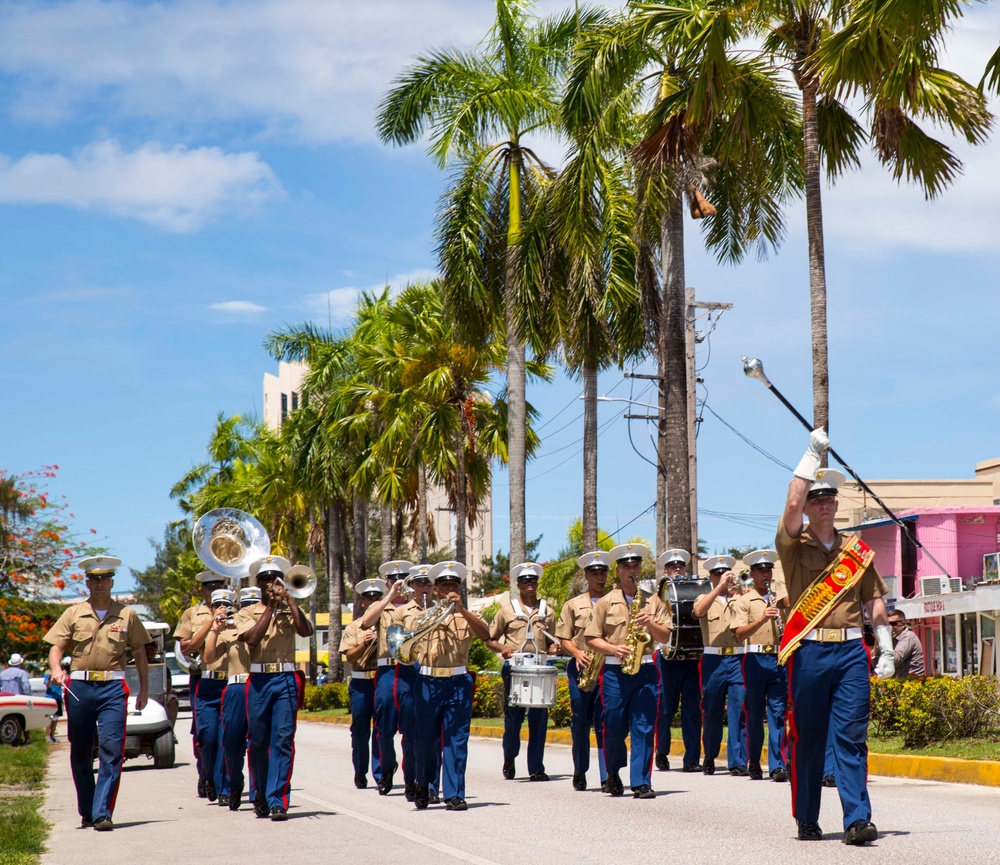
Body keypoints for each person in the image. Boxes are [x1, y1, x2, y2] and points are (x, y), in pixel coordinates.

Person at [776, 430, 893, 845]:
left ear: (837, 505)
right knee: (808, 737)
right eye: (817, 499)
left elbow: (874, 602)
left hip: (848, 651)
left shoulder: (855, 551)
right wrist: (810, 456)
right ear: (808, 507)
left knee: (850, 735)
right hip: (808, 651)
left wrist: (887, 646)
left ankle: (857, 819)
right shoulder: (792, 545)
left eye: (829, 499)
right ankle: (807, 817)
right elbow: (790, 502)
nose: (823, 504)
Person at [43, 555, 150, 831]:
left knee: (112, 749)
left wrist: (144, 689)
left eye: (105, 578)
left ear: (112, 582)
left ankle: (102, 812)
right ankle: (88, 809)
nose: (100, 583)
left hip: (113, 688)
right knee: (80, 751)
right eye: (95, 579)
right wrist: (56, 667)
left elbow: (139, 652)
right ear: (87, 583)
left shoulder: (127, 615)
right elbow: (56, 647)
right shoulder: (73, 613)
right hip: (79, 689)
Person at [585, 543, 672, 799]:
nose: (631, 570)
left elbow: (665, 636)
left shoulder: (653, 601)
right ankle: (612, 771)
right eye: (626, 566)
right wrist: (613, 649)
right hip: (614, 672)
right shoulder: (605, 602)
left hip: (645, 669)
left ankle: (641, 782)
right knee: (613, 726)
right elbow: (591, 638)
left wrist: (651, 623)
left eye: (635, 566)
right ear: (618, 571)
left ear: (640, 568)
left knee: (644, 726)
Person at [237, 554, 314, 821]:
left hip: (286, 679)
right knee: (258, 742)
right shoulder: (247, 612)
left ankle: (278, 799)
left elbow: (306, 631)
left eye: (275, 579)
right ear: (258, 584)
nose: (271, 583)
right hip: (259, 680)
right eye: (266, 579)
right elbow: (252, 638)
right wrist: (269, 607)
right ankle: (260, 791)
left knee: (282, 740)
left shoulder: (288, 608)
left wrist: (290, 600)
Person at [413, 561, 491, 811]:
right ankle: (424, 784)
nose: (449, 590)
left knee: (457, 740)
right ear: (435, 590)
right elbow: (405, 648)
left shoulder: (466, 617)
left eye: (454, 586)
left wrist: (461, 609)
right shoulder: (422, 617)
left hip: (458, 680)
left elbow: (485, 634)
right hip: (428, 680)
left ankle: (455, 793)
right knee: (426, 740)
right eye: (444, 586)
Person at [487, 561, 557, 782]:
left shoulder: (548, 611)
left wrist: (555, 647)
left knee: (539, 718)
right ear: (518, 584)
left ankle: (536, 767)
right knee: (513, 719)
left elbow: (553, 641)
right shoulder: (506, 611)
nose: (530, 584)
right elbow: (489, 639)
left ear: (537, 583)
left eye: (533, 580)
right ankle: (509, 758)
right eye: (525, 580)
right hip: (515, 667)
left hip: (539, 666)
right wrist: (503, 649)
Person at [355, 560, 414, 795]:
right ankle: (385, 769)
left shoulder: (415, 605)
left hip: (411, 668)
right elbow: (365, 622)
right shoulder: (381, 605)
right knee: (384, 726)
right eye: (392, 581)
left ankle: (412, 776)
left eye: (402, 580)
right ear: (387, 583)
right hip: (387, 670)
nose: (398, 584)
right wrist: (388, 597)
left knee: (411, 726)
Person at [729, 549, 787, 783]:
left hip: (778, 658)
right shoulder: (744, 601)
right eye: (761, 570)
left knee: (778, 713)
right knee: (754, 714)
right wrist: (763, 618)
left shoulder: (780, 598)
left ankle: (777, 765)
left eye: (768, 570)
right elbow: (739, 634)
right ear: (752, 574)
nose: (766, 574)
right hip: (754, 660)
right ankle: (754, 760)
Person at [173, 569, 229, 801]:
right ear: (202, 590)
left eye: (219, 585)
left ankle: (223, 785)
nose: (214, 590)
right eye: (209, 586)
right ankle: (205, 774)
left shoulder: (235, 610)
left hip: (231, 679)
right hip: (203, 680)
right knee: (206, 736)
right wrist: (211, 622)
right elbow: (186, 648)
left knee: (227, 736)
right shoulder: (192, 614)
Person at [556, 551, 610, 792]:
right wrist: (577, 653)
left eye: (603, 572)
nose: (599, 576)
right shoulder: (573, 605)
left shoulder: (616, 601)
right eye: (594, 573)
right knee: (580, 722)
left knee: (606, 722)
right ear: (586, 576)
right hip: (582, 667)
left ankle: (608, 774)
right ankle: (580, 769)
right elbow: (564, 638)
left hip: (609, 668)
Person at [201, 588, 256, 811]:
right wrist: (215, 630)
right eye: (247, 605)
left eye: (256, 604)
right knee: (232, 745)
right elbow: (209, 657)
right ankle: (234, 786)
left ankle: (258, 792)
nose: (252, 609)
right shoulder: (229, 631)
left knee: (260, 743)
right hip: (235, 687)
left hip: (258, 686)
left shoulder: (262, 630)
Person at [392, 564, 441, 804]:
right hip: (409, 674)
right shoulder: (402, 613)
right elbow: (395, 645)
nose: (424, 587)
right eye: (419, 583)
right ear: (411, 587)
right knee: (411, 734)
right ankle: (411, 779)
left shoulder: (442, 610)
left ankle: (431, 785)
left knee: (433, 736)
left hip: (435, 673)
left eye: (428, 583)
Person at [693, 556, 747, 776]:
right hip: (714, 660)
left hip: (737, 658)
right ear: (711, 577)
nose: (723, 577)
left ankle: (737, 761)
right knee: (713, 711)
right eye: (717, 574)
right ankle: (710, 756)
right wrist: (718, 588)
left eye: (726, 573)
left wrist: (739, 590)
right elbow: (698, 612)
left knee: (738, 710)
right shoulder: (704, 597)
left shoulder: (739, 600)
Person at [653, 548, 703, 774]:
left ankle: (692, 758)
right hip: (667, 658)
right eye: (673, 568)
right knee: (665, 708)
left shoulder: (695, 592)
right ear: (666, 571)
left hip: (691, 657)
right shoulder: (657, 597)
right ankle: (661, 751)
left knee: (692, 710)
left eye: (680, 567)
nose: (678, 570)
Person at [339, 577, 388, 790]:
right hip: (360, 683)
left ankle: (381, 773)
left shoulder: (389, 624)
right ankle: (360, 772)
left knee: (382, 728)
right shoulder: (354, 627)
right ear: (363, 603)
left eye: (378, 597)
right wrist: (363, 642)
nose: (374, 601)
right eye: (369, 598)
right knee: (360, 731)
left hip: (380, 680)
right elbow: (349, 657)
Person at [888, 611, 925, 678]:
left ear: (903, 624)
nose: (890, 627)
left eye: (893, 624)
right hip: (898, 683)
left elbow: (894, 661)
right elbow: (876, 664)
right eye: (887, 624)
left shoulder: (908, 636)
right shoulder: (892, 638)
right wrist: (877, 642)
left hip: (912, 683)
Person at [44, 658, 71, 742]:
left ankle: (52, 736)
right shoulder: (47, 674)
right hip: (50, 698)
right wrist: (49, 678)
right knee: (49, 718)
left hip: (58, 697)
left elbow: (65, 683)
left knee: (56, 718)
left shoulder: (61, 673)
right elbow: (47, 686)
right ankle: (47, 736)